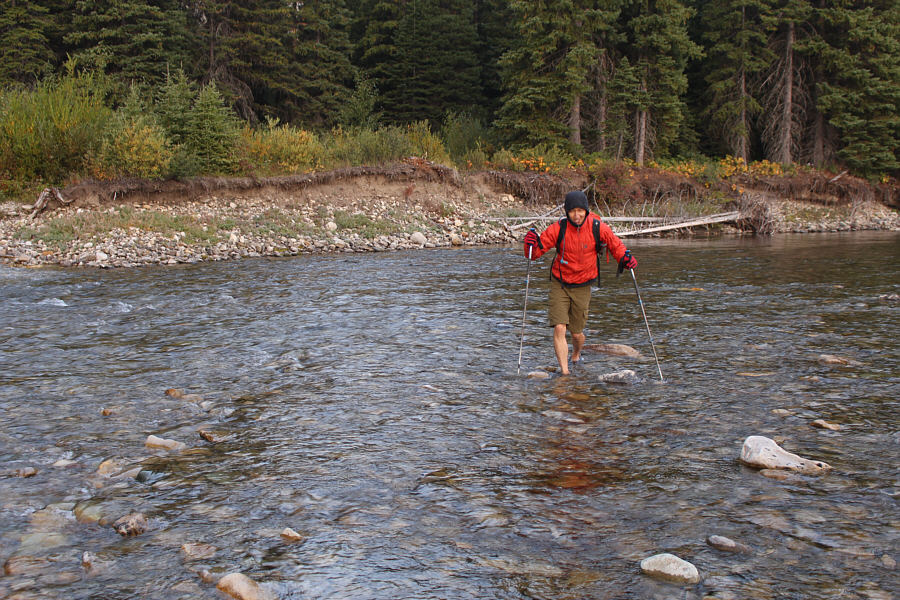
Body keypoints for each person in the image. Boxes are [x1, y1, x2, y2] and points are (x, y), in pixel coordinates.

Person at [523, 190, 637, 375]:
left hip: (583, 284)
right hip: (560, 282)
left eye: (580, 210)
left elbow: (616, 245)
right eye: (572, 211)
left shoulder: (598, 227)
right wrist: (529, 244)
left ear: (586, 210)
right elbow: (534, 254)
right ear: (567, 212)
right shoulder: (558, 228)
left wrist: (625, 259)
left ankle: (576, 352)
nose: (577, 215)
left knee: (576, 333)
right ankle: (565, 373)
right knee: (559, 326)